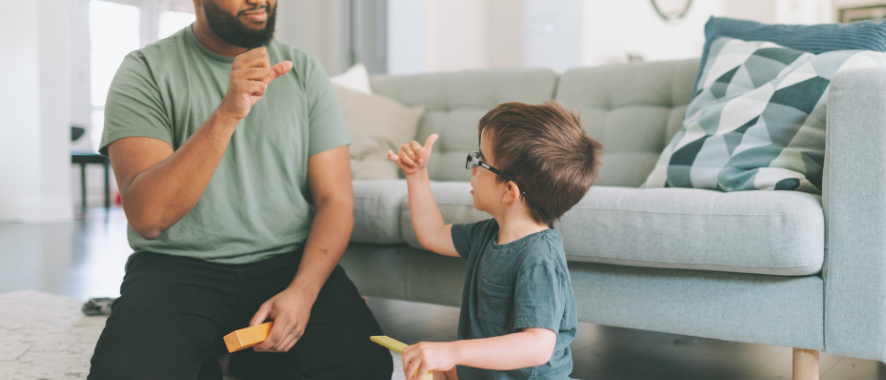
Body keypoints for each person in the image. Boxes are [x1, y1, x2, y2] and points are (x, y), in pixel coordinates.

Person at [87, 0, 392, 378]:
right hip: (178, 266)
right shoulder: (145, 71)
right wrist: (227, 114)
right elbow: (148, 217)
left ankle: (245, 360)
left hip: (287, 263)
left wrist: (303, 292)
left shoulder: (306, 71)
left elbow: (336, 200)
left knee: (363, 366)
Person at [387, 102, 603, 380]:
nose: (472, 169)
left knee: (441, 362)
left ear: (509, 191)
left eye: (480, 160)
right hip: (484, 372)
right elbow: (432, 233)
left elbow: (538, 346)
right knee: (425, 370)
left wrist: (454, 351)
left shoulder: (539, 258)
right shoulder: (488, 234)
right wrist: (416, 174)